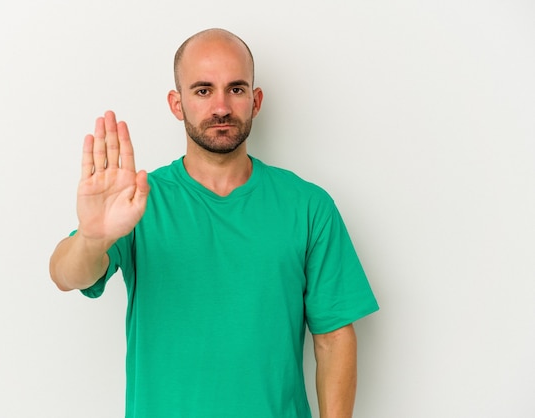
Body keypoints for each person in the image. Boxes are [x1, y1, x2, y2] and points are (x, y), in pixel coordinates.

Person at [50, 28, 378, 418]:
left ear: (255, 101)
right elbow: (67, 275)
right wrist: (90, 237)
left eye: (236, 89)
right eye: (203, 91)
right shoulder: (138, 201)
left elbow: (334, 337)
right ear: (177, 103)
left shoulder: (308, 206)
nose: (221, 106)